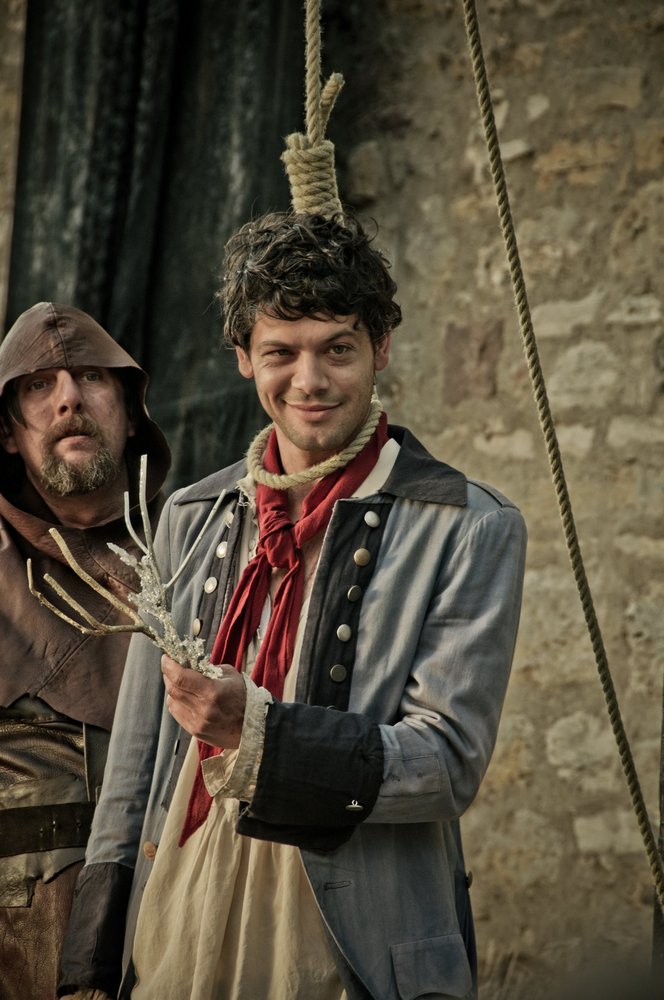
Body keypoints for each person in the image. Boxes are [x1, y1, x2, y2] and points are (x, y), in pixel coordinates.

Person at [60, 211, 527, 1000]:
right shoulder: (189, 518)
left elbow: (446, 764)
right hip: (179, 910)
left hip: (349, 938)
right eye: (281, 352)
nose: (309, 381)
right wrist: (90, 967)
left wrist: (259, 734)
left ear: (381, 348)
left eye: (337, 348)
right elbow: (135, 763)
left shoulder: (470, 525)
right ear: (244, 357)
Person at [0, 301, 170, 1000]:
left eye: (93, 377)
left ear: (130, 414)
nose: (68, 398)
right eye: (39, 386)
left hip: (179, 945)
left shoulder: (205, 554)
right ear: (8, 433)